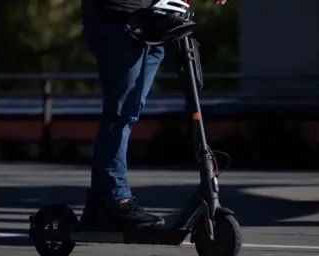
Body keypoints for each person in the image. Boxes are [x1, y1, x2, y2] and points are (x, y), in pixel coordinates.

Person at [79, 0, 227, 229]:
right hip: (118, 19)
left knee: (127, 113)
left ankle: (99, 203)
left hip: (152, 21)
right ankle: (114, 200)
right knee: (121, 113)